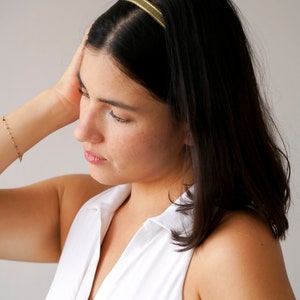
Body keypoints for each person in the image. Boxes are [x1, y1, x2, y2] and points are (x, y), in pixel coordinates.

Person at [0, 0, 296, 299]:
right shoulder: (83, 209)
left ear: (193, 122)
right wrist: (56, 102)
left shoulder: (229, 249)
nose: (81, 131)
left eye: (117, 114)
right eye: (85, 94)